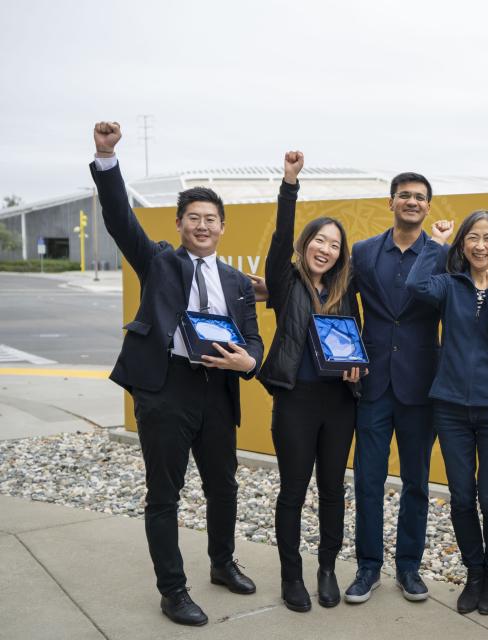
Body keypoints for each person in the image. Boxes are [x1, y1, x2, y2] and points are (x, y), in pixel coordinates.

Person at [89, 121, 264, 627]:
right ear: (180, 223)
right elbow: (121, 220)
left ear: (223, 226)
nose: (203, 226)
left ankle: (222, 563)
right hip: (166, 388)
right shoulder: (159, 262)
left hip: (217, 389)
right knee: (165, 494)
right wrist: (106, 160)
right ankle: (173, 590)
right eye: (194, 218)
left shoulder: (236, 282)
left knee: (224, 487)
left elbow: (252, 337)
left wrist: (248, 361)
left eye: (211, 219)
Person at [406, 211, 488, 615]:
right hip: (450, 406)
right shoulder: (450, 285)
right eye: (472, 238)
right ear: (462, 245)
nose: (480, 245)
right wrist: (437, 245)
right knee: (461, 497)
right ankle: (473, 573)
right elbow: (416, 284)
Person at [256, 151, 363, 612]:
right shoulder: (285, 282)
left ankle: (326, 569)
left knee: (333, 490)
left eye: (334, 244)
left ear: (341, 254)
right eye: (319, 240)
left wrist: (361, 367)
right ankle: (291, 576)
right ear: (306, 245)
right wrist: (289, 184)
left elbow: (358, 343)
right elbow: (281, 238)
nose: (326, 249)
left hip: (339, 402)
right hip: (296, 401)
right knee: (294, 490)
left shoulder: (344, 292)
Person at [345, 172, 448, 604]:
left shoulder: (441, 254)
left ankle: (409, 567)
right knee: (368, 479)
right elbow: (343, 304)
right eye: (404, 195)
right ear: (390, 202)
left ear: (428, 206)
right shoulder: (364, 252)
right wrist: (348, 355)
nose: (411, 202)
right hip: (372, 382)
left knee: (417, 483)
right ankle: (368, 567)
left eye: (419, 197)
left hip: (421, 385)